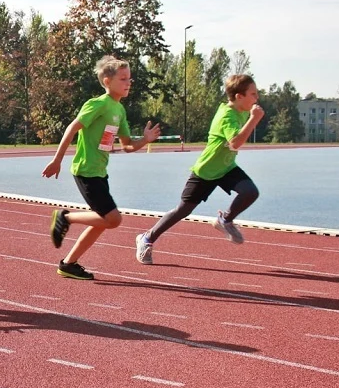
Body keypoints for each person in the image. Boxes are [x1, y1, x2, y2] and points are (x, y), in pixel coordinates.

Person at [41, 55, 161, 281]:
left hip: (99, 172)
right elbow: (72, 128)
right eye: (123, 79)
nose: (128, 83)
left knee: (103, 221)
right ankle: (66, 218)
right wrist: (57, 160)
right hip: (86, 171)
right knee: (113, 219)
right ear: (107, 81)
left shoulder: (119, 110)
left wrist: (145, 140)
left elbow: (127, 145)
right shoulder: (97, 104)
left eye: (129, 79)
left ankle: (69, 264)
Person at [135, 74, 264, 263]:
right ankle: (146, 238)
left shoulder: (241, 110)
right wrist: (254, 119)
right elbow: (235, 143)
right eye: (253, 94)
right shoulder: (227, 115)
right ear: (239, 96)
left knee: (250, 192)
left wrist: (251, 117)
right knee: (182, 210)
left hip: (226, 168)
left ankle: (225, 220)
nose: (257, 98)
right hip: (206, 171)